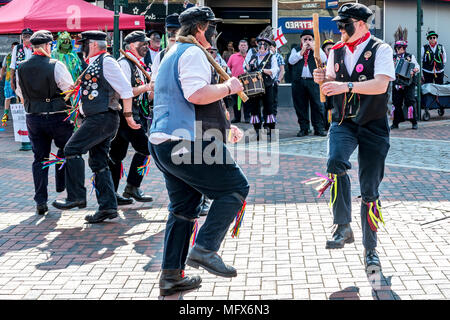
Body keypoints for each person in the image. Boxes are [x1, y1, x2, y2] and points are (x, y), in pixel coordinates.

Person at [149, 6, 249, 296]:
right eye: (213, 27)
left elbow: (186, 100)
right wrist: (229, 88)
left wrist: (223, 127)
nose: (216, 33)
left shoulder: (171, 52)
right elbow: (197, 94)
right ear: (202, 28)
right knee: (235, 189)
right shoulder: (192, 53)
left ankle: (171, 277)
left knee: (183, 210)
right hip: (186, 142)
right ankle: (205, 248)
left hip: (164, 142)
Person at [313, 3, 395, 275]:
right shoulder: (335, 51)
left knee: (370, 189)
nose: (340, 29)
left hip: (374, 124)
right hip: (343, 122)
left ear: (361, 23)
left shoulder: (381, 49)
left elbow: (380, 84)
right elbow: (331, 83)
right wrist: (322, 78)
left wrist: (345, 85)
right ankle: (343, 225)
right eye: (338, 24)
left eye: (344, 24)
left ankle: (370, 249)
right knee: (335, 162)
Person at [52, 31, 137, 224]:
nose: (80, 48)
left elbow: (126, 90)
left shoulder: (107, 62)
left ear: (91, 45)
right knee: (98, 162)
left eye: (83, 44)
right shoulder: (96, 62)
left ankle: (76, 196)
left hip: (103, 118)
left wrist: (129, 116)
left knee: (72, 150)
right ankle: (107, 207)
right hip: (98, 117)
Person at [15, 30, 74, 215]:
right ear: (48, 45)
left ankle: (40, 199)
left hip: (34, 117)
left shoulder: (21, 67)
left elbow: (20, 92)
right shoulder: (56, 65)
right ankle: (60, 183)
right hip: (57, 116)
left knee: (39, 158)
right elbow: (69, 89)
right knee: (66, 150)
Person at [108, 31, 154, 206]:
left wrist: (152, 90)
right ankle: (132, 187)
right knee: (145, 148)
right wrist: (146, 87)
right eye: (142, 43)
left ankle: (113, 194)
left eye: (146, 43)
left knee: (116, 154)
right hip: (125, 115)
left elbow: (142, 94)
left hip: (135, 114)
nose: (146, 45)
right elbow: (125, 92)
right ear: (130, 46)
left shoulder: (138, 64)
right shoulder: (124, 64)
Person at [289, 29, 328, 137]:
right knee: (300, 106)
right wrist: (302, 51)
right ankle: (304, 129)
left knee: (317, 105)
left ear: (313, 40)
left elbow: (324, 58)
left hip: (313, 81)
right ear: (301, 39)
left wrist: (315, 48)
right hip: (299, 81)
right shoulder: (296, 49)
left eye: (309, 39)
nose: (307, 41)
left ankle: (318, 128)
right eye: (305, 39)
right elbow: (291, 61)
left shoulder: (317, 49)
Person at [244, 33, 279, 142]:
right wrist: (249, 66)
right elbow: (245, 68)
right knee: (254, 108)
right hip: (254, 86)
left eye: (264, 45)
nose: (262, 47)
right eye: (260, 45)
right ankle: (257, 130)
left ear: (268, 47)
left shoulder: (271, 57)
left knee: (269, 108)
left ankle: (271, 130)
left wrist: (263, 71)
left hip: (268, 86)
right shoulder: (253, 56)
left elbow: (275, 70)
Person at [391, 27, 420, 130]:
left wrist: (414, 70)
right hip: (397, 84)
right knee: (396, 103)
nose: (401, 49)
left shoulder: (410, 56)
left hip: (408, 84)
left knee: (410, 102)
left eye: (403, 47)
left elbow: (417, 67)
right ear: (396, 48)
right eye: (399, 48)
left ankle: (414, 122)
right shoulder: (392, 58)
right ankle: (395, 123)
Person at [10, 28, 34, 151]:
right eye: (24, 37)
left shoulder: (36, 47)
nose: (26, 39)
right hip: (20, 79)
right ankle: (25, 136)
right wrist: (11, 80)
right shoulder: (17, 48)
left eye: (28, 36)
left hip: (34, 80)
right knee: (22, 102)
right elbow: (13, 64)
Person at [227, 40, 251, 123]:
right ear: (238, 47)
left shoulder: (250, 57)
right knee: (235, 102)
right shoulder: (233, 56)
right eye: (241, 45)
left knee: (247, 101)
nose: (243, 47)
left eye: (245, 45)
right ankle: (237, 118)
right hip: (235, 82)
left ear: (247, 47)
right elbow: (228, 68)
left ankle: (247, 118)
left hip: (247, 82)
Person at [1, 41, 19, 126]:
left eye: (16, 47)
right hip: (8, 80)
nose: (15, 49)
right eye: (13, 47)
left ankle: (18, 114)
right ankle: (5, 114)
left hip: (19, 79)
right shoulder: (8, 56)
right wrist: (1, 75)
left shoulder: (21, 56)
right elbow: (3, 67)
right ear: (12, 48)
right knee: (7, 97)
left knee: (19, 98)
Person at [322, 39, 336, 131]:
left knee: (331, 106)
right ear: (324, 49)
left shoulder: (336, 58)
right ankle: (323, 124)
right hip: (322, 86)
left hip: (333, 86)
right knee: (323, 106)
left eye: (332, 48)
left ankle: (330, 123)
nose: (330, 49)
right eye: (328, 48)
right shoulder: (321, 59)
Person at [270, 43, 286, 117]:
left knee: (273, 100)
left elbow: (282, 70)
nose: (270, 49)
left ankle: (273, 116)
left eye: (271, 47)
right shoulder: (264, 56)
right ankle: (266, 116)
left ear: (275, 47)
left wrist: (278, 80)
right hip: (265, 82)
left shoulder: (278, 56)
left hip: (274, 82)